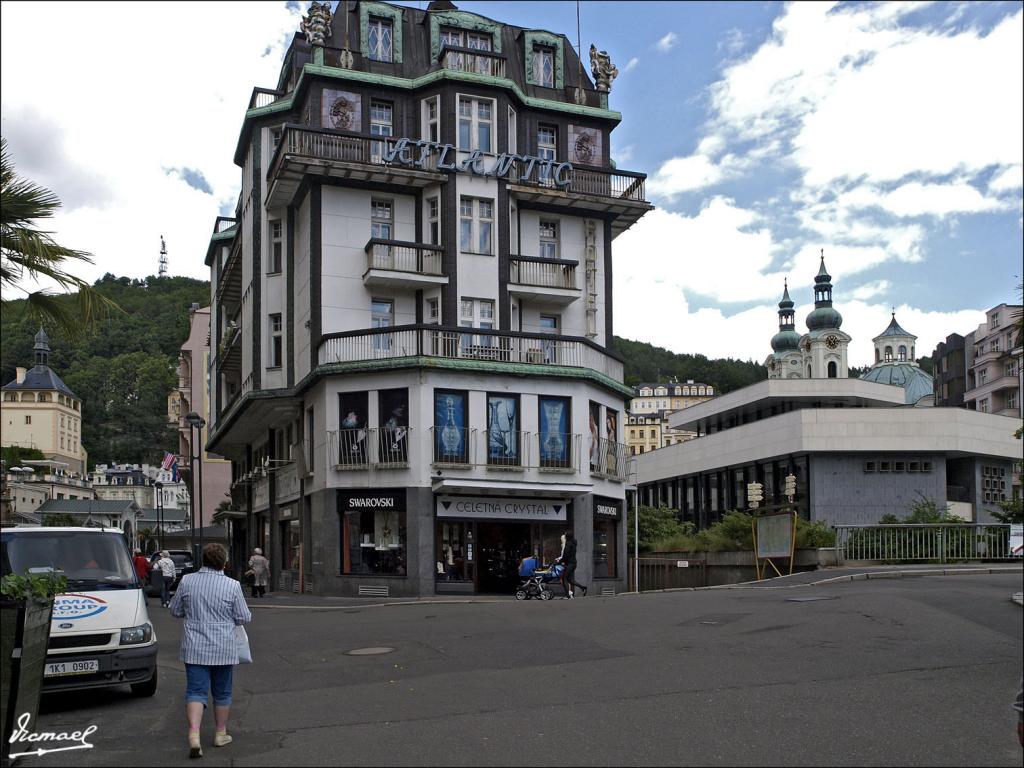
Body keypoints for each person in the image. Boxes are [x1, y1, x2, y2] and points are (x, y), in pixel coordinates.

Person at [169, 543, 252, 759]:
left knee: (196, 692)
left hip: (194, 646)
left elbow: (175, 610)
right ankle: (220, 733)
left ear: (203, 560)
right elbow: (243, 616)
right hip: (223, 647)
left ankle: (194, 735)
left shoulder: (187, 581)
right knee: (222, 692)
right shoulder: (232, 585)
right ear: (224, 562)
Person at [556, 532, 586, 599]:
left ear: (567, 537)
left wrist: (560, 561)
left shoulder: (568, 544)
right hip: (573, 563)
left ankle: (568, 596)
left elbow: (566, 555)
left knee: (564, 579)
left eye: (565, 536)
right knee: (570, 580)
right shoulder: (573, 543)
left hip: (569, 564)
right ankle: (583, 588)